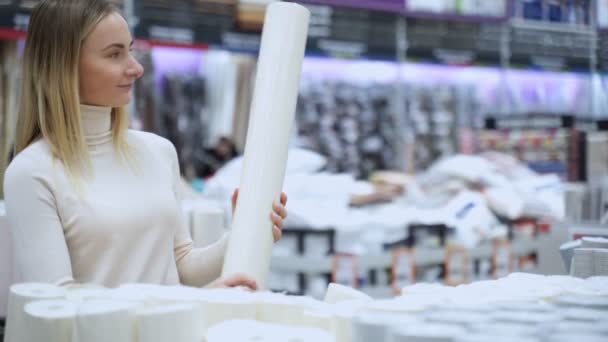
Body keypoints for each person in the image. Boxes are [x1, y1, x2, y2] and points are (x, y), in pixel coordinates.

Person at [3, 0, 287, 290]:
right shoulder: (31, 173)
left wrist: (241, 233)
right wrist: (196, 302)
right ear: (63, 65)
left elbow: (181, 266)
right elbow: (59, 302)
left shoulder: (158, 152)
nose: (136, 68)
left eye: (130, 50)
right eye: (114, 54)